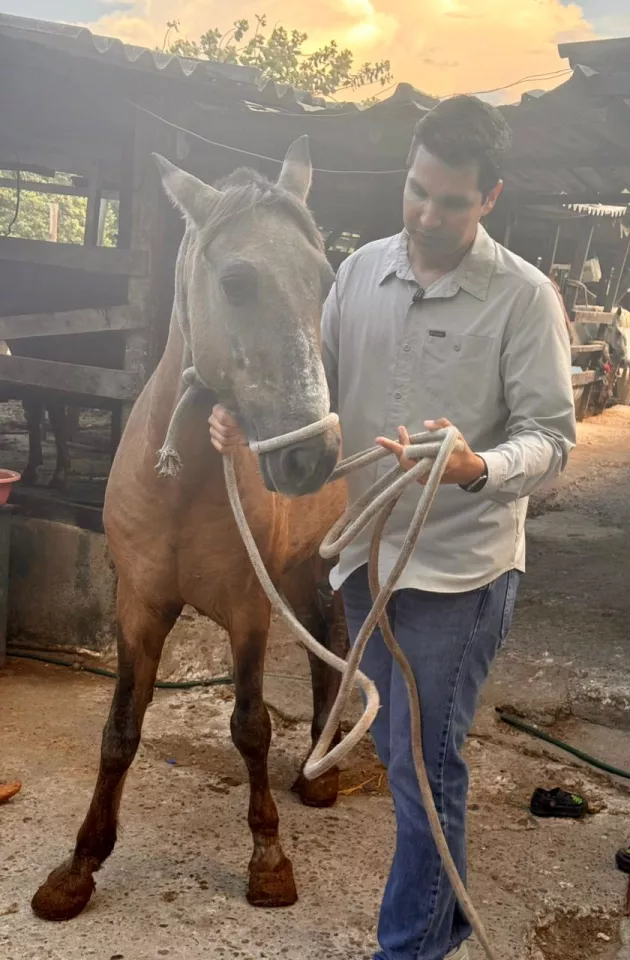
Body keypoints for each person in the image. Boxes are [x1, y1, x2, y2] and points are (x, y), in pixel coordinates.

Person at [210, 96, 576, 960]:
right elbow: (320, 389)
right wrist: (245, 416)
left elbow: (554, 441)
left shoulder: (524, 298)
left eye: (451, 201)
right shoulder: (358, 274)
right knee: (410, 753)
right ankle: (443, 925)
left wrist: (477, 464)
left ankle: (407, 947)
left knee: (420, 764)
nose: (426, 215)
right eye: (417, 191)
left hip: (461, 574)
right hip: (367, 568)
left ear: (489, 198)